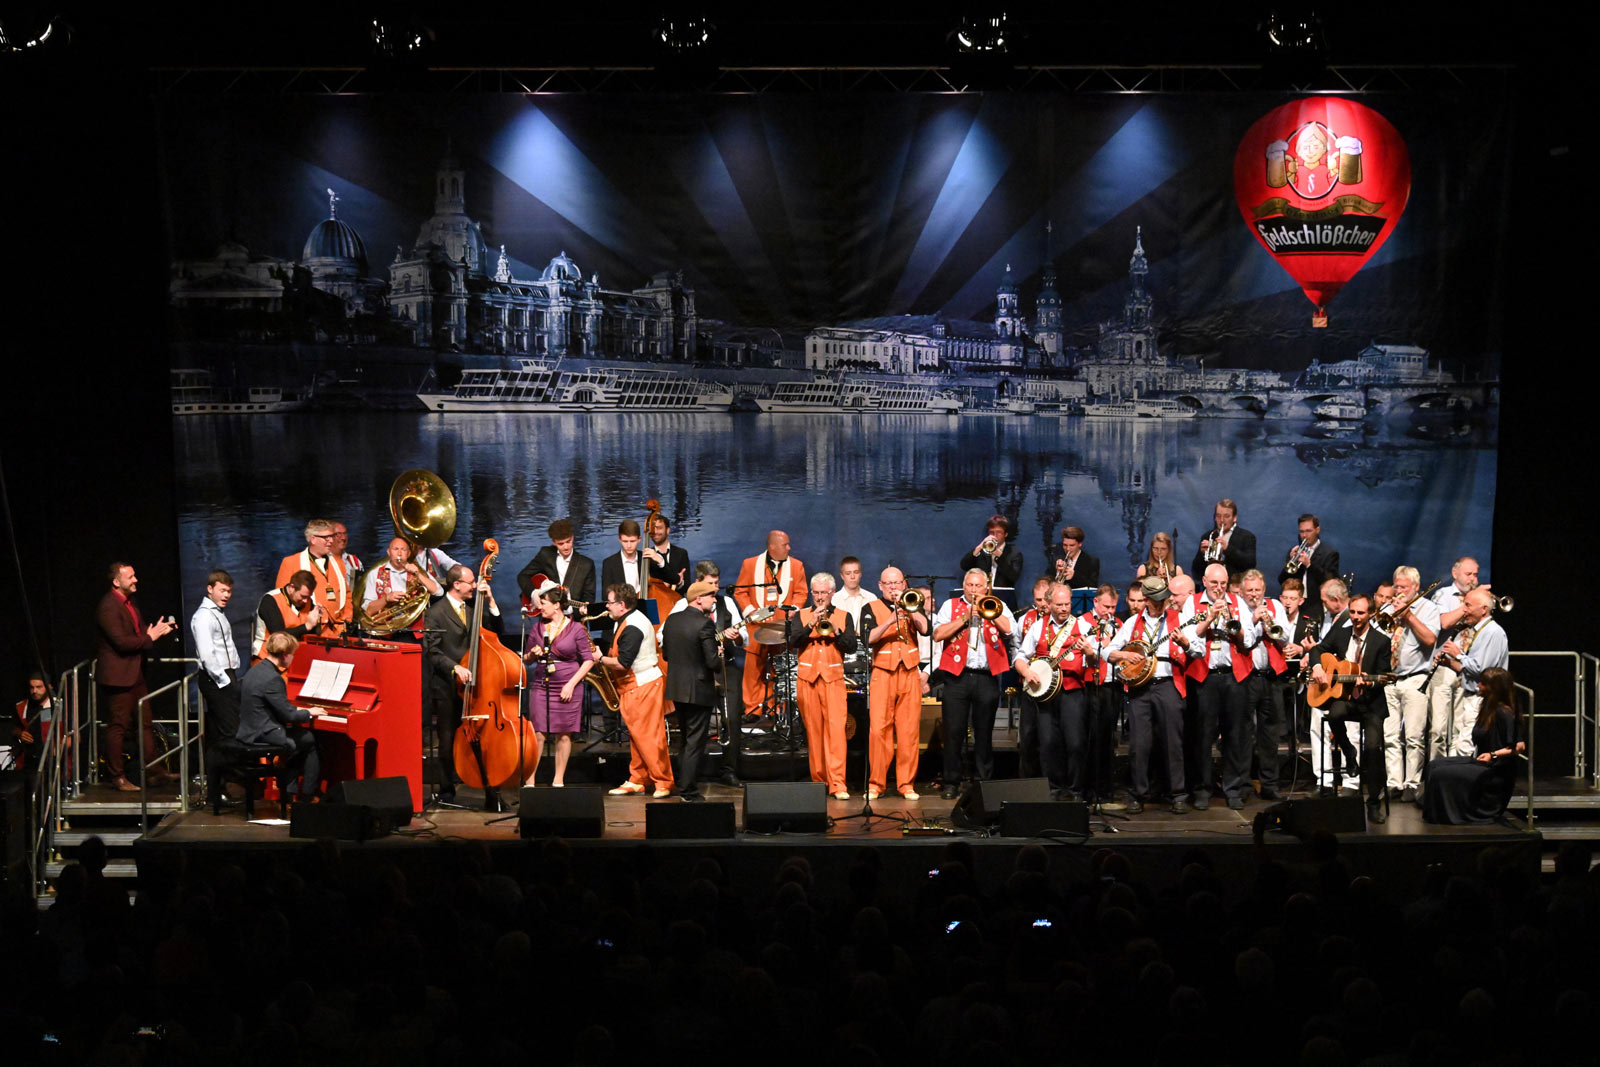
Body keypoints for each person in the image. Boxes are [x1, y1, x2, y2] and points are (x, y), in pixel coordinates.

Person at [1296, 592, 1393, 824]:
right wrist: (1318, 666)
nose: (1356, 617)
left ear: (1370, 614)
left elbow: (1384, 675)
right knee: (1335, 713)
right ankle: (1349, 752)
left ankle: (1372, 804)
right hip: (1346, 699)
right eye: (1353, 612)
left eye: (1361, 613)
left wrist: (1367, 682)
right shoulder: (1341, 633)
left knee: (1372, 748)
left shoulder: (1381, 641)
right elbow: (1318, 649)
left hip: (1370, 704)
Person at [1104, 576, 1191, 814]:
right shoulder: (1133, 623)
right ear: (1147, 600)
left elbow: (1199, 650)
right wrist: (1123, 656)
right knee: (1139, 744)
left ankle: (1177, 794)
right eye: (1156, 600)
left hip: (1168, 685)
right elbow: (1107, 651)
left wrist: (1185, 643)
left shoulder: (1180, 620)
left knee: (1172, 742)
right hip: (1140, 688)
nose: (1161, 604)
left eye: (1163, 599)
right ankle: (1137, 794)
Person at [931, 568, 1017, 798]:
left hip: (986, 677)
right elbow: (938, 634)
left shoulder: (996, 604)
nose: (973, 590)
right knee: (954, 732)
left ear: (986, 587)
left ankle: (983, 782)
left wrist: (989, 612)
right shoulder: (950, 606)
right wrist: (965, 617)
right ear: (964, 585)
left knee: (984, 732)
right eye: (970, 585)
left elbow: (1011, 630)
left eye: (978, 586)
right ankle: (951, 782)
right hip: (957, 677)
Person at [1180, 563, 1260, 810]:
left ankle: (1233, 788)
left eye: (1223, 584)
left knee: (1235, 735)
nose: (1219, 588)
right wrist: (1211, 617)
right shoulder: (1192, 604)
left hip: (1234, 676)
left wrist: (1232, 623)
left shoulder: (1237, 602)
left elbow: (1248, 639)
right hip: (1205, 677)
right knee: (1203, 735)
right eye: (1214, 583)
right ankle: (1202, 789)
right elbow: (1191, 638)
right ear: (1204, 581)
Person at [422, 564, 503, 804]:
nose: (475, 586)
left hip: (475, 687)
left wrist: (490, 602)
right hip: (447, 687)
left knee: (481, 739)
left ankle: (490, 789)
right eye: (471, 582)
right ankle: (447, 790)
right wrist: (455, 667)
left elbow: (497, 631)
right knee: (446, 742)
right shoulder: (435, 613)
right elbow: (432, 651)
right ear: (456, 584)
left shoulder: (472, 609)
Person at [95, 561, 176, 792]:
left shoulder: (130, 602)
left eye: (134, 575)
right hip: (118, 676)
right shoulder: (109, 606)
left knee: (145, 724)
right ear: (116, 581)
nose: (135, 580)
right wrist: (150, 637)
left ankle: (153, 770)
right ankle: (117, 776)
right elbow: (121, 642)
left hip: (135, 673)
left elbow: (139, 633)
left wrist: (155, 632)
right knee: (118, 726)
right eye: (130, 577)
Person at [1013, 582, 1093, 800]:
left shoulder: (1083, 626)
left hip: (1072, 692)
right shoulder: (1038, 627)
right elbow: (1019, 656)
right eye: (1059, 604)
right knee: (1048, 743)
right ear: (1048, 604)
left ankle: (1076, 790)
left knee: (1075, 743)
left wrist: (1090, 652)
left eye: (1067, 603)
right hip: (1046, 694)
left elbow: (1094, 661)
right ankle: (1054, 790)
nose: (1064, 608)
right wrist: (1027, 672)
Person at [786, 572, 859, 799]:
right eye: (816, 593)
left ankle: (838, 784)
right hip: (807, 679)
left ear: (832, 593)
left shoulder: (844, 615)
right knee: (814, 733)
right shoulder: (800, 615)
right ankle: (819, 782)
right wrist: (811, 624)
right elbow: (793, 641)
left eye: (823, 593)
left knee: (837, 732)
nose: (819, 597)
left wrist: (836, 630)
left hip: (833, 680)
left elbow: (851, 646)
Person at [598, 585, 674, 798]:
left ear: (621, 605)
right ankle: (638, 778)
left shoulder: (633, 625)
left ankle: (663, 781)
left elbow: (623, 663)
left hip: (642, 685)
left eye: (610, 602)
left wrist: (599, 658)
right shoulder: (626, 620)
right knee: (637, 736)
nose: (607, 606)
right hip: (634, 686)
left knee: (649, 737)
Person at [1422, 667, 1523, 825]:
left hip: (1496, 771)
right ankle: (1434, 815)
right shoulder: (1487, 708)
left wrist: (1493, 755)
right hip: (1483, 762)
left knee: (1441, 773)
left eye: (1483, 683)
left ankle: (1449, 816)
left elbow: (1519, 746)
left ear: (1493, 688)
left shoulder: (1504, 712)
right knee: (1434, 765)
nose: (1478, 686)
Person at [863, 566, 928, 801]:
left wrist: (909, 610)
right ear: (880, 586)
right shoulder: (869, 608)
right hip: (883, 672)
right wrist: (891, 619)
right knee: (879, 730)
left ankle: (906, 784)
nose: (893, 588)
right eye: (889, 584)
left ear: (904, 584)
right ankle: (876, 784)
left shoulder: (913, 603)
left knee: (909, 730)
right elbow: (868, 638)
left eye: (897, 583)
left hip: (909, 671)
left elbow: (925, 629)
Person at [522, 580, 594, 789]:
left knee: (564, 733)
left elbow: (588, 660)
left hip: (568, 683)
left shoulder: (576, 629)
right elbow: (526, 659)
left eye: (543, 603)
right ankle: (530, 780)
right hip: (542, 684)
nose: (539, 607)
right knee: (538, 732)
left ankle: (558, 780)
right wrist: (531, 654)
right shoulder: (537, 628)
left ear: (556, 605)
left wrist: (571, 685)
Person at [237, 631, 320, 805]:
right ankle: (306, 796)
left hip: (250, 728)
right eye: (292, 655)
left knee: (297, 741)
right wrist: (308, 712)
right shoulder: (274, 678)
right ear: (285, 655)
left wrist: (299, 709)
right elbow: (288, 715)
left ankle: (289, 794)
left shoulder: (255, 670)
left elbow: (276, 706)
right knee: (309, 740)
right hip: (263, 733)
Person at [1380, 566, 1441, 804]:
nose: (1399, 591)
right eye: (1397, 586)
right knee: (1390, 735)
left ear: (1416, 587)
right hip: (1390, 678)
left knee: (1414, 737)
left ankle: (1412, 784)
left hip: (1416, 678)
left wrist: (1409, 616)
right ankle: (1394, 782)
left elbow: (1430, 639)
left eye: (1404, 587)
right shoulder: (1388, 608)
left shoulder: (1429, 609)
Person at [733, 530, 808, 719]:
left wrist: (795, 608)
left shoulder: (797, 566)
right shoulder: (750, 564)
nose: (789, 548)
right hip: (756, 627)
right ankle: (753, 709)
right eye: (785, 545)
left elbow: (801, 593)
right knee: (753, 670)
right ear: (772, 546)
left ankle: (779, 708)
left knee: (781, 669)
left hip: (781, 628)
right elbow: (740, 592)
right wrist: (751, 612)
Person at [664, 580, 724, 800]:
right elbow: (712, 663)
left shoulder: (672, 620)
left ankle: (683, 784)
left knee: (686, 740)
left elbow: (667, 655)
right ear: (699, 598)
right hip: (698, 691)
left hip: (677, 688)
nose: (714, 599)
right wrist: (719, 653)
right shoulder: (704, 624)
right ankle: (688, 791)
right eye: (711, 595)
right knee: (695, 742)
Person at [1436, 587, 1510, 758]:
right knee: (1459, 741)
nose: (1465, 610)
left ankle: (1466, 782)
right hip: (1471, 695)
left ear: (1483, 609)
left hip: (1481, 698)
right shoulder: (1482, 631)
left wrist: (1458, 654)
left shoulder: (1492, 632)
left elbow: (1483, 671)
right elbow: (1474, 669)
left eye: (1468, 605)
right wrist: (1449, 663)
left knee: (1466, 746)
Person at [1239, 570, 1292, 800]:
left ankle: (1270, 785)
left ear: (1264, 590)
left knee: (1270, 734)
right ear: (1242, 591)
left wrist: (1269, 622)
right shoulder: (1237, 608)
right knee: (1243, 733)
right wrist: (1252, 620)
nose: (1253, 595)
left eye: (1257, 590)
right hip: (1246, 677)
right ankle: (1242, 785)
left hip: (1270, 677)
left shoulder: (1275, 606)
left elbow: (1285, 637)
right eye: (1249, 590)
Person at [1081, 583, 1125, 806]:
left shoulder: (1118, 623)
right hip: (1092, 686)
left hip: (1113, 686)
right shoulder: (1082, 623)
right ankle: (1090, 789)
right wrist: (1103, 645)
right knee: (1093, 738)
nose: (1110, 611)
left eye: (1114, 607)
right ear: (1096, 602)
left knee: (1109, 739)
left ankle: (1106, 789)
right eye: (1106, 606)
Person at [190, 569, 243, 748]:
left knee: (219, 729)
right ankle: (233, 775)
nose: (226, 595)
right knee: (229, 729)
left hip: (226, 675)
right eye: (222, 590)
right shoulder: (204, 616)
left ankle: (216, 775)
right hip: (216, 678)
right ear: (210, 589)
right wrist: (224, 680)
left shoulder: (218, 612)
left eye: (229, 591)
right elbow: (207, 655)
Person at [274, 519, 351, 635]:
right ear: (313, 539)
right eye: (326, 537)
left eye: (332, 536)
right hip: (307, 633)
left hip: (338, 632)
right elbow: (282, 601)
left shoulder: (338, 562)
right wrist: (302, 626)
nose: (331, 541)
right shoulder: (291, 563)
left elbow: (347, 595)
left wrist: (347, 619)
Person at [1011, 578, 1054, 780]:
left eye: (1046, 599)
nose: (1043, 604)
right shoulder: (1025, 619)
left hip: (1053, 686)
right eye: (1038, 600)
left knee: (1049, 737)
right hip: (1030, 684)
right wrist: (1026, 671)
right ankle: (1026, 783)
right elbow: (1016, 650)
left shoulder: (1063, 621)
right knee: (1027, 735)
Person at [360, 537, 444, 635]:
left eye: (403, 550)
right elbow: (368, 610)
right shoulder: (375, 574)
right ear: (388, 552)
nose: (399, 553)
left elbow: (439, 592)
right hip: (386, 632)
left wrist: (418, 575)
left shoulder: (417, 570)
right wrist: (386, 599)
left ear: (408, 554)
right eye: (395, 549)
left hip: (414, 631)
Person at [516, 518, 597, 607]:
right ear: (554, 542)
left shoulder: (586, 564)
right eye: (561, 544)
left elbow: (589, 596)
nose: (566, 547)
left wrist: (585, 608)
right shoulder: (545, 555)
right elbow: (523, 576)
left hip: (574, 616)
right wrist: (534, 594)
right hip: (548, 615)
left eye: (568, 541)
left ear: (573, 537)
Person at [252, 570, 323, 661]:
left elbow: (313, 634)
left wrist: (317, 622)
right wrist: (307, 626)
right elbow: (278, 635)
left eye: (308, 597)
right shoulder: (270, 600)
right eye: (303, 596)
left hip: (295, 656)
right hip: (268, 657)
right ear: (292, 587)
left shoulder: (307, 602)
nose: (306, 601)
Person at [959, 515, 1024, 598]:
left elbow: (1013, 576)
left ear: (1006, 534)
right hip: (980, 597)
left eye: (999, 532)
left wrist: (1000, 556)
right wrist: (979, 547)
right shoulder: (982, 551)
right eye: (991, 532)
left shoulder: (1014, 554)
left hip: (1003, 598)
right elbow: (964, 566)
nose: (995, 536)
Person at [1277, 514, 1340, 599]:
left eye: (1308, 531)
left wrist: (1309, 565)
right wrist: (1291, 561)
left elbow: (1330, 583)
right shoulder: (1294, 552)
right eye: (1302, 531)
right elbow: (1282, 580)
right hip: (1295, 601)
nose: (1304, 535)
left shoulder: (1330, 554)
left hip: (1316, 602)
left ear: (1317, 530)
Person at [1191, 498, 1256, 579]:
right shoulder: (1208, 536)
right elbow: (1196, 571)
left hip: (1236, 586)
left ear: (1234, 518)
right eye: (1218, 516)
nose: (1221, 520)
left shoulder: (1247, 536)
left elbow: (1250, 563)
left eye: (1226, 516)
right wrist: (1203, 554)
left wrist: (1228, 548)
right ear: (1214, 518)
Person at [3, 673, 53, 774]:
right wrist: (20, 734)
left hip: (52, 761)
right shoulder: (22, 706)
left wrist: (58, 748)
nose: (34, 691)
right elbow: (14, 728)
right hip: (28, 761)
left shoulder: (58, 706)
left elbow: (74, 735)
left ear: (49, 687)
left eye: (39, 687)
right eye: (32, 687)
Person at [642, 511, 691, 596]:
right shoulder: (646, 557)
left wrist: (679, 583)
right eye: (653, 528)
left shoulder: (681, 553)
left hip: (677, 603)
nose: (655, 532)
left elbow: (687, 587)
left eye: (659, 528)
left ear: (667, 530)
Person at [1044, 525, 1101, 598]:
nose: (1068, 549)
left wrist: (1074, 576)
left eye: (1072, 545)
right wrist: (1057, 573)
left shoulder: (1092, 561)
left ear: (1080, 544)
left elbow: (1093, 587)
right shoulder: (1056, 559)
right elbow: (1046, 584)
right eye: (1065, 545)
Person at [832, 556, 879, 631]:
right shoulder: (834, 600)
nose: (852, 576)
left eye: (856, 572)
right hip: (842, 641)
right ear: (842, 576)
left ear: (860, 574)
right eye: (848, 573)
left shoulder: (871, 598)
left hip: (867, 641)